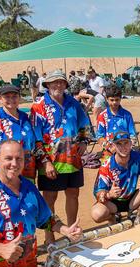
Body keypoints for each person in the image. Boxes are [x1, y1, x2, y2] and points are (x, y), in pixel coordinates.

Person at [30, 70, 90, 245]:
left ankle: (72, 231)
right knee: (50, 197)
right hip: (50, 161)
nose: (58, 85)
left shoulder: (73, 103)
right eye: (54, 82)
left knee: (73, 194)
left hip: (73, 159)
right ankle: (50, 236)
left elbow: (84, 125)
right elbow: (35, 137)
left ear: (65, 85)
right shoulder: (38, 107)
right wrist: (45, 162)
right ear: (47, 85)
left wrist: (84, 141)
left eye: (61, 82)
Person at [91, 131, 140, 224]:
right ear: (114, 146)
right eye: (119, 143)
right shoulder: (107, 165)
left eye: (126, 143)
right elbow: (97, 192)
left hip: (132, 199)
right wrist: (109, 194)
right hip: (112, 202)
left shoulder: (138, 157)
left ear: (131, 144)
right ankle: (112, 218)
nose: (123, 147)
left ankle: (137, 220)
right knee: (96, 214)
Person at [0, 85, 44, 182]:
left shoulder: (25, 117)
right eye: (7, 97)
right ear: (0, 98)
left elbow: (34, 142)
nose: (11, 99)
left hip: (28, 171)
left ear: (19, 98)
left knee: (27, 196)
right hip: (7, 173)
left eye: (14, 96)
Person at [96, 85, 137, 157]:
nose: (114, 102)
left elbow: (133, 135)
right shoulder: (102, 116)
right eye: (112, 100)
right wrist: (109, 147)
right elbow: (99, 136)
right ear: (107, 99)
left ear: (120, 99)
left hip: (125, 152)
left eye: (117, 100)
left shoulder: (127, 115)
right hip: (109, 152)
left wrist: (128, 146)